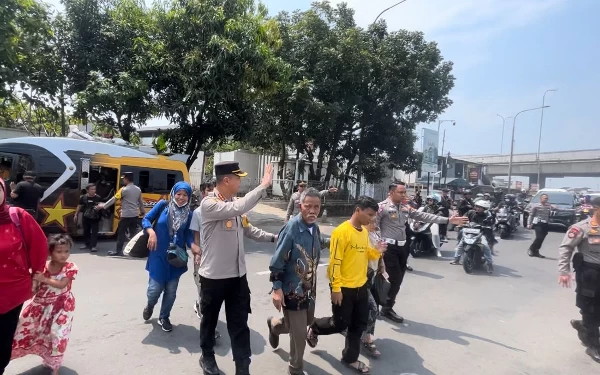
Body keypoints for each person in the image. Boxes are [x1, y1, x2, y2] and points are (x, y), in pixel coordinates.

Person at [199, 162, 277, 375]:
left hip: (237, 279)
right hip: (213, 278)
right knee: (210, 320)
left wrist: (273, 238)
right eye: (238, 178)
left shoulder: (233, 204)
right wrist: (263, 186)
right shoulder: (210, 204)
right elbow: (240, 207)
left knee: (239, 325)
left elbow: (248, 229)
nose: (240, 181)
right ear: (226, 180)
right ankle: (207, 357)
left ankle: (242, 368)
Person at [306, 196, 386, 374]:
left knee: (359, 324)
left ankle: (350, 358)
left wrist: (377, 252)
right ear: (358, 210)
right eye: (369, 214)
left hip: (361, 287)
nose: (371, 219)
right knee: (340, 324)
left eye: (374, 216)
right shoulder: (341, 232)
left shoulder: (363, 232)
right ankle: (315, 327)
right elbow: (334, 262)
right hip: (343, 288)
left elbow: (365, 255)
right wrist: (336, 289)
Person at [376, 182, 468, 323]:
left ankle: (386, 307)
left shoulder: (406, 207)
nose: (404, 195)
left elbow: (424, 216)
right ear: (391, 192)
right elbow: (373, 226)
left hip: (403, 247)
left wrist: (448, 220)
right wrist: (376, 246)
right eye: (401, 192)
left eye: (404, 192)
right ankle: (382, 306)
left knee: (398, 279)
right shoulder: (382, 207)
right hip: (388, 248)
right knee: (393, 278)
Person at [267, 188, 322, 375]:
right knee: (299, 335)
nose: (313, 211)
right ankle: (295, 368)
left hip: (309, 289)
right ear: (300, 206)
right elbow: (277, 261)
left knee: (300, 323)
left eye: (317, 207)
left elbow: (320, 245)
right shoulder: (291, 228)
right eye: (308, 207)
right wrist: (276, 288)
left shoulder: (315, 227)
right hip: (292, 290)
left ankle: (275, 326)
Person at [11, 234, 78, 375]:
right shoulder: (42, 267)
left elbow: (62, 284)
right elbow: (35, 288)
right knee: (26, 329)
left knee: (57, 335)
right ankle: (8, 358)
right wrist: (33, 284)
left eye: (66, 251)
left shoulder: (70, 267)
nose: (63, 255)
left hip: (62, 307)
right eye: (59, 251)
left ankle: (55, 368)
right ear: (50, 252)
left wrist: (44, 279)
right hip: (40, 306)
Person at [0, 179, 47, 375]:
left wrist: (37, 274)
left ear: (3, 191)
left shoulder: (18, 216)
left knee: (2, 338)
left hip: (12, 293)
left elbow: (39, 244)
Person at [142, 181, 194, 332]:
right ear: (173, 193)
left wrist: (194, 247)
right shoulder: (163, 206)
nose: (181, 197)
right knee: (154, 290)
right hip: (158, 254)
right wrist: (151, 232)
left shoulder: (189, 214)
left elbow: (188, 235)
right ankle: (150, 305)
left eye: (185, 195)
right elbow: (146, 219)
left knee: (171, 291)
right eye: (179, 194)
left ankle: (164, 316)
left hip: (176, 258)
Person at [558, 196, 600, 363]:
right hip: (590, 274)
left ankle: (584, 326)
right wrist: (564, 271)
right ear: (595, 208)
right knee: (591, 310)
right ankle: (593, 345)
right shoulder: (582, 227)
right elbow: (566, 248)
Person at [190, 181, 220, 340]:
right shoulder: (198, 212)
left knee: (212, 293)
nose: (212, 193)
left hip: (217, 259)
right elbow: (196, 236)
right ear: (203, 193)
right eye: (209, 190)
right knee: (203, 290)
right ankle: (210, 330)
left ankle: (202, 308)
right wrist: (197, 254)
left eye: (213, 190)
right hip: (203, 257)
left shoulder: (220, 209)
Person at [97, 172, 145, 256]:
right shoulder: (138, 189)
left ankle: (118, 251)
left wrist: (103, 206)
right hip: (134, 215)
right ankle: (134, 251)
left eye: (123, 179)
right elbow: (140, 202)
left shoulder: (124, 189)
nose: (123, 180)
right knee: (133, 234)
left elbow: (114, 199)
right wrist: (142, 211)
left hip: (126, 215)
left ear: (126, 179)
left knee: (121, 233)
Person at [450, 200, 495, 273]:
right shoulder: (470, 212)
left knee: (486, 246)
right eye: (477, 206)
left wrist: (488, 226)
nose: (478, 208)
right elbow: (463, 218)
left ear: (484, 209)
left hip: (481, 233)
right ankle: (456, 259)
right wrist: (462, 222)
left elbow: (491, 223)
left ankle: (490, 265)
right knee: (461, 244)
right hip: (469, 231)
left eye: (480, 207)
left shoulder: (487, 215)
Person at [74, 184, 103, 252]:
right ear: (87, 190)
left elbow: (101, 205)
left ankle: (93, 246)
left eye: (94, 189)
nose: (93, 191)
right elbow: (79, 206)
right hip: (86, 217)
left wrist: (99, 207)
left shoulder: (98, 197)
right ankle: (87, 244)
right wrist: (76, 214)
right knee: (86, 231)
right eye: (92, 189)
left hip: (95, 217)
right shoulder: (83, 197)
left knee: (94, 232)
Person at [527, 193, 554, 258]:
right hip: (537, 223)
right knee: (539, 237)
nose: (546, 199)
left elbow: (556, 210)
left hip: (545, 223)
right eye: (545, 198)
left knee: (542, 238)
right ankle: (531, 248)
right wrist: (529, 224)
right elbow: (531, 215)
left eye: (547, 198)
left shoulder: (549, 206)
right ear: (541, 199)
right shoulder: (535, 206)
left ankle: (536, 251)